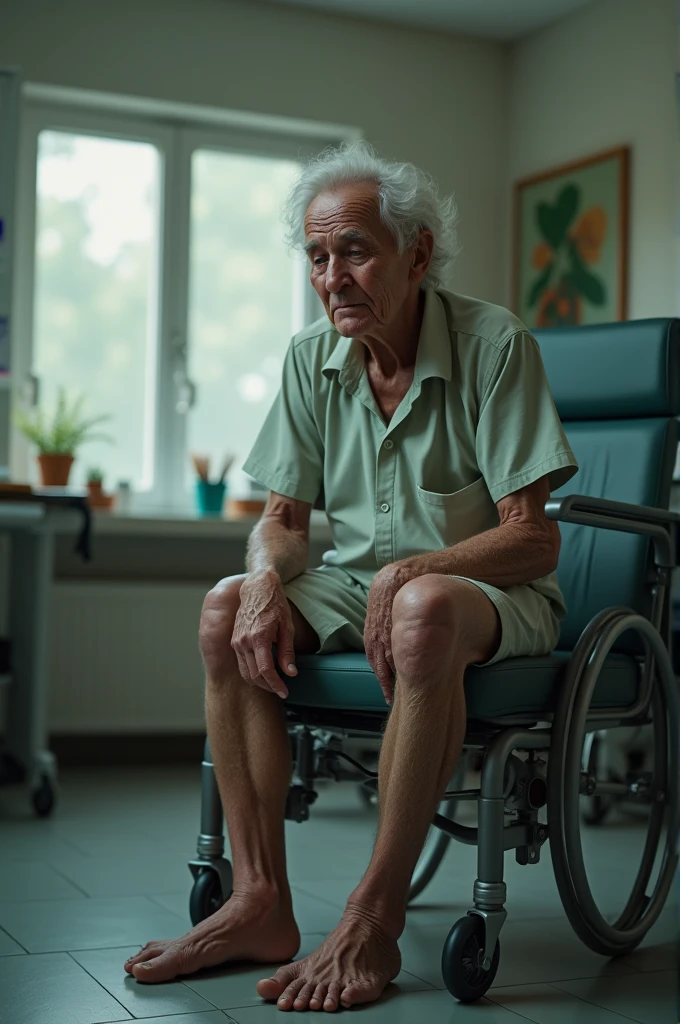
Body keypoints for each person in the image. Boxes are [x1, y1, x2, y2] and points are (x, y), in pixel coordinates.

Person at [124, 141, 578, 1011]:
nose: (333, 276)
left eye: (355, 250)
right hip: (363, 584)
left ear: (417, 253)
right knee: (226, 610)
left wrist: (417, 568)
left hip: (489, 595)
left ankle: (373, 916)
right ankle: (259, 901)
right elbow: (284, 524)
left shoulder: (494, 345)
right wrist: (262, 578)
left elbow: (533, 540)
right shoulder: (310, 360)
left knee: (423, 606)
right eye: (317, 257)